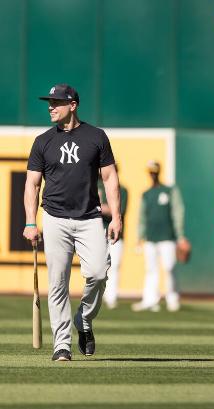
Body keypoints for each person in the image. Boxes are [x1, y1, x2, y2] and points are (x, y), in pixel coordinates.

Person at [23, 84, 122, 362]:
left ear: (73, 105)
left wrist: (116, 216)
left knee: (99, 273)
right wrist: (31, 222)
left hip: (89, 217)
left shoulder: (96, 137)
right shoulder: (43, 141)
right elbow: (32, 184)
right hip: (54, 217)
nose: (51, 107)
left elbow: (110, 178)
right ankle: (62, 345)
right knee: (57, 283)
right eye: (49, 102)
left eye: (57, 102)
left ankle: (84, 319)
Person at [132, 160, 187, 312]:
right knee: (150, 269)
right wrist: (139, 237)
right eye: (151, 172)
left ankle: (172, 298)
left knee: (169, 268)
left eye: (154, 171)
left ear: (158, 172)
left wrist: (180, 235)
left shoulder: (169, 191)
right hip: (150, 237)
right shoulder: (146, 194)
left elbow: (178, 212)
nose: (153, 174)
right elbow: (142, 217)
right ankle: (150, 300)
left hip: (167, 237)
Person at [98, 165, 128, 309]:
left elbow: (117, 211)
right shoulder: (96, 185)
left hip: (116, 233)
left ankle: (111, 297)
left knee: (114, 266)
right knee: (97, 266)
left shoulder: (122, 190)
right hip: (97, 231)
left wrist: (100, 207)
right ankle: (99, 296)